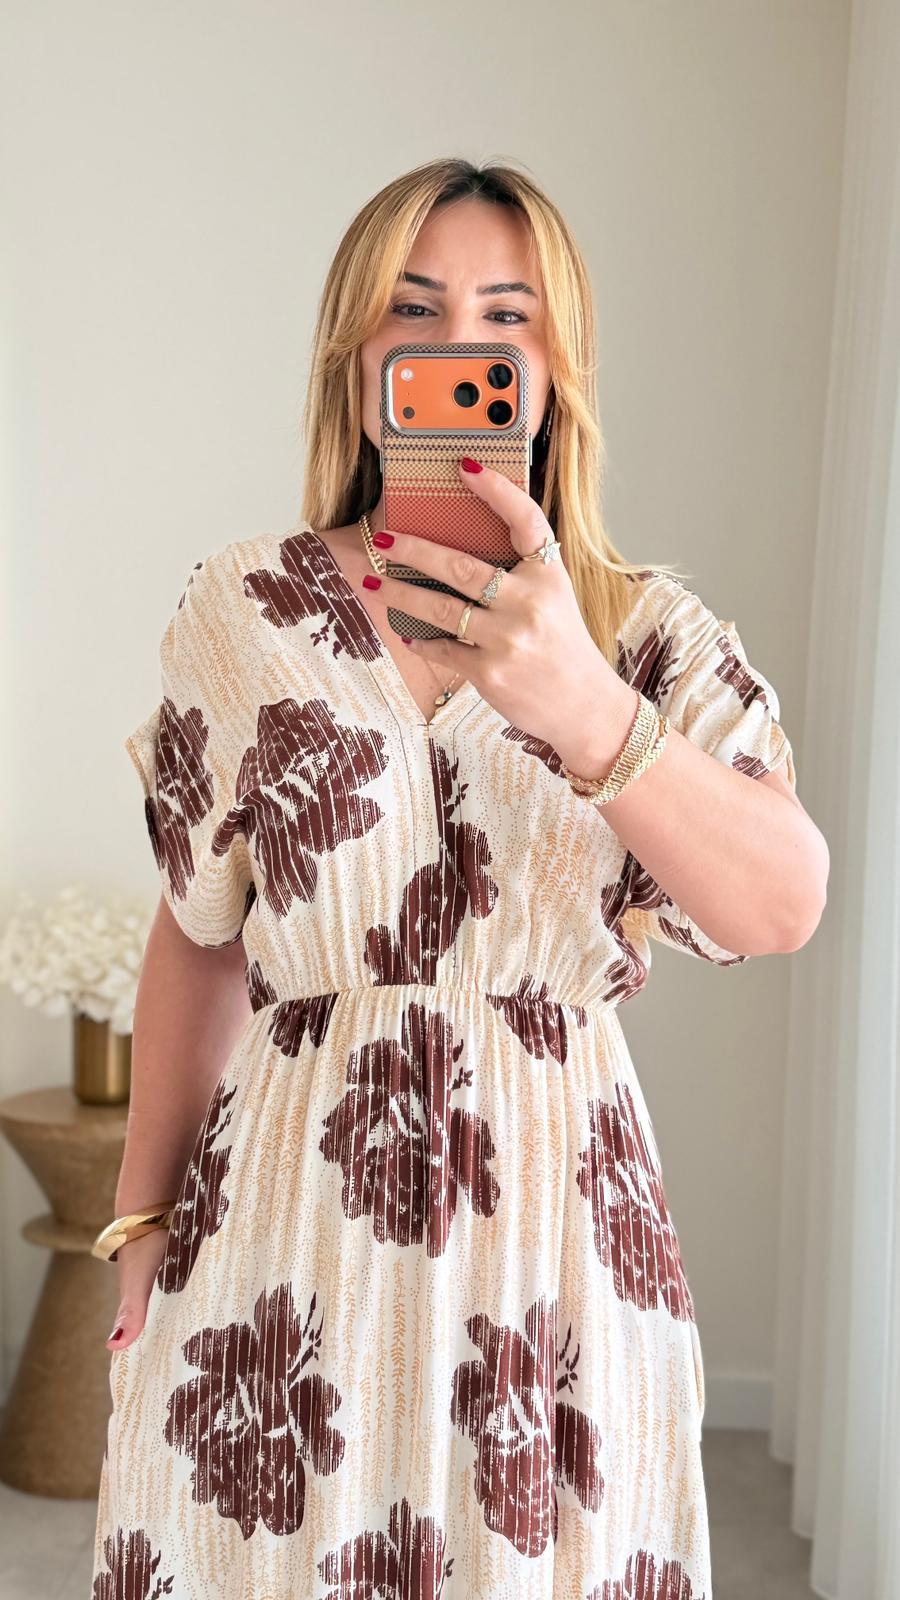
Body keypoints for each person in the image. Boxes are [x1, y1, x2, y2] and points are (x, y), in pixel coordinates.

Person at [90, 156, 828, 1599]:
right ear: (355, 356)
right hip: (288, 1240)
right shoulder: (244, 611)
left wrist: (590, 711)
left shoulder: (643, 634)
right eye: (413, 310)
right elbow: (202, 933)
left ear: (554, 372)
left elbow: (783, 902)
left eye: (507, 318)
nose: (456, 346)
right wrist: (143, 1219)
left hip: (556, 1250)